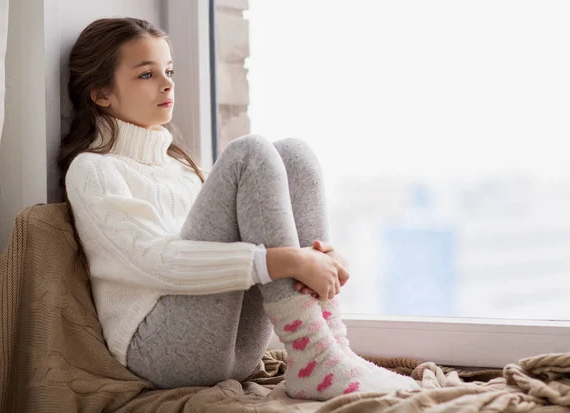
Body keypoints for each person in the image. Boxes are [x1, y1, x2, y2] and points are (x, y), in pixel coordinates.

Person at [59, 17, 419, 401]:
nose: (167, 84)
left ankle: (327, 346)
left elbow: (260, 224)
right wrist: (286, 262)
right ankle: (317, 357)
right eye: (147, 75)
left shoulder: (183, 169)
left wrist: (313, 257)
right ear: (101, 95)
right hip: (160, 352)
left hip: (235, 349)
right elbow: (158, 263)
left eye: (169, 71)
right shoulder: (94, 170)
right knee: (250, 153)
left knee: (294, 154)